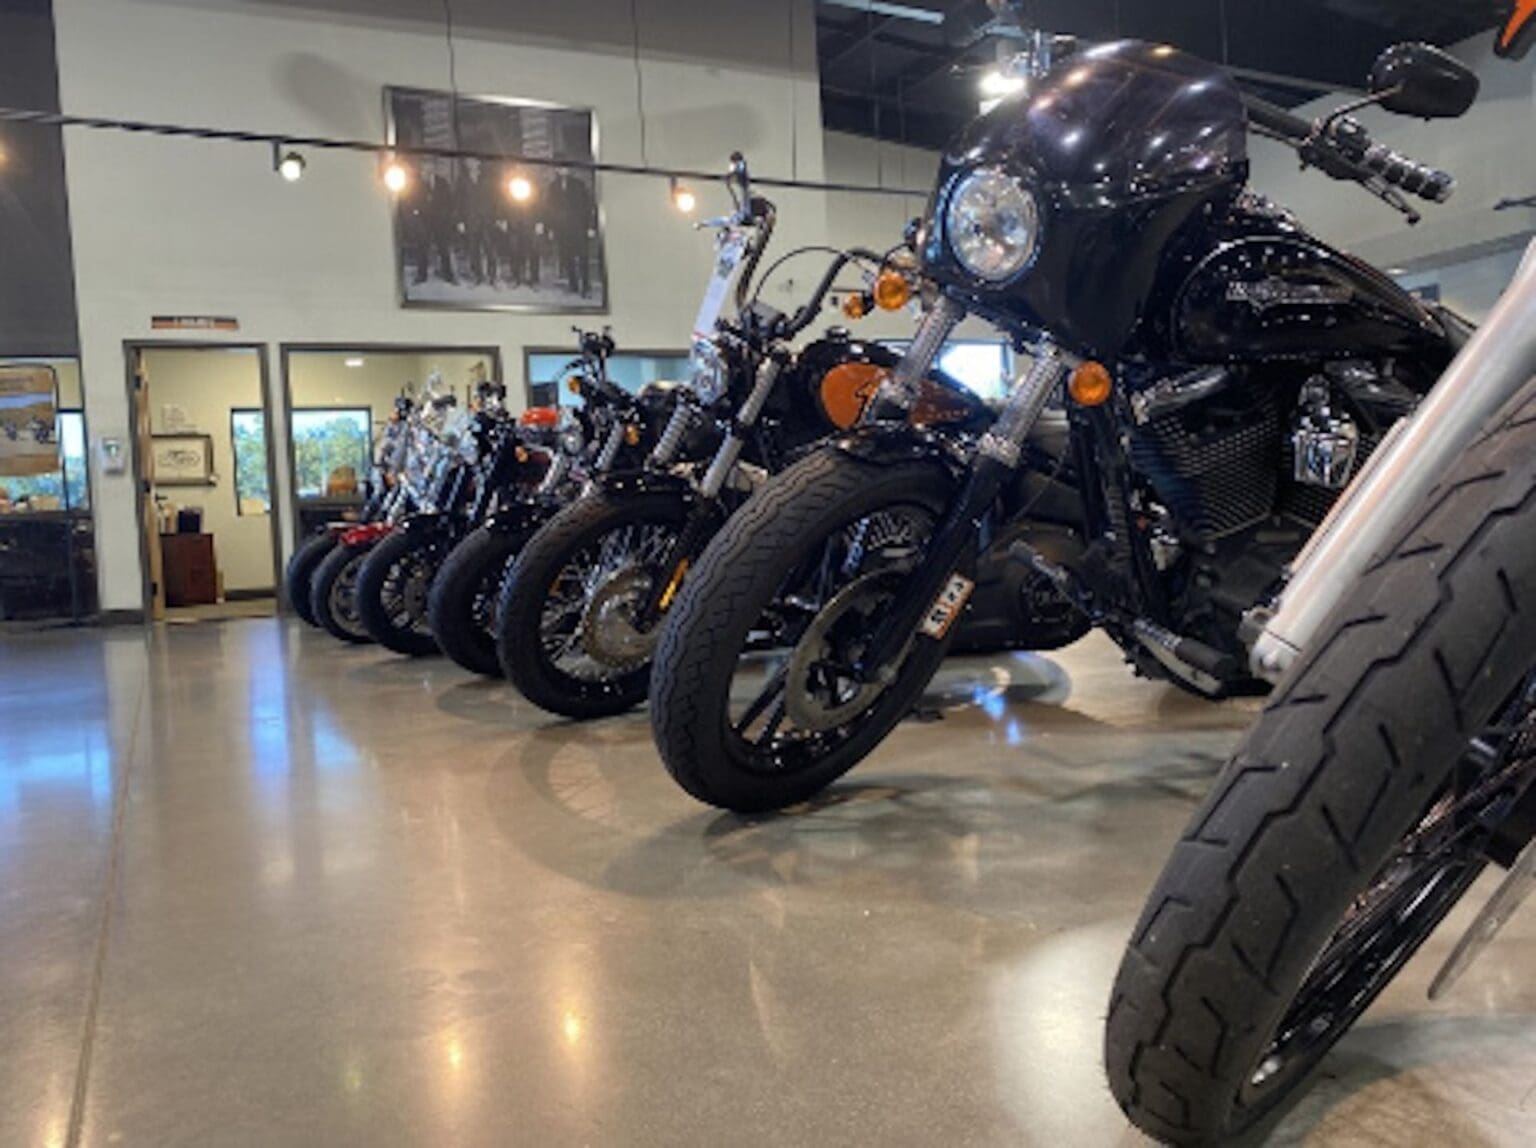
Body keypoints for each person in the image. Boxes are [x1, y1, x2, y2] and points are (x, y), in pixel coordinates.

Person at [545, 167, 597, 298]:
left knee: (583, 257)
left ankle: (586, 286)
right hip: (563, 228)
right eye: (560, 168)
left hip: (579, 226)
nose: (563, 170)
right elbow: (549, 209)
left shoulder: (579, 184)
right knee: (567, 257)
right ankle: (573, 285)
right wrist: (551, 228)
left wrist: (590, 226)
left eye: (565, 168)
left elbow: (587, 205)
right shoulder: (553, 187)